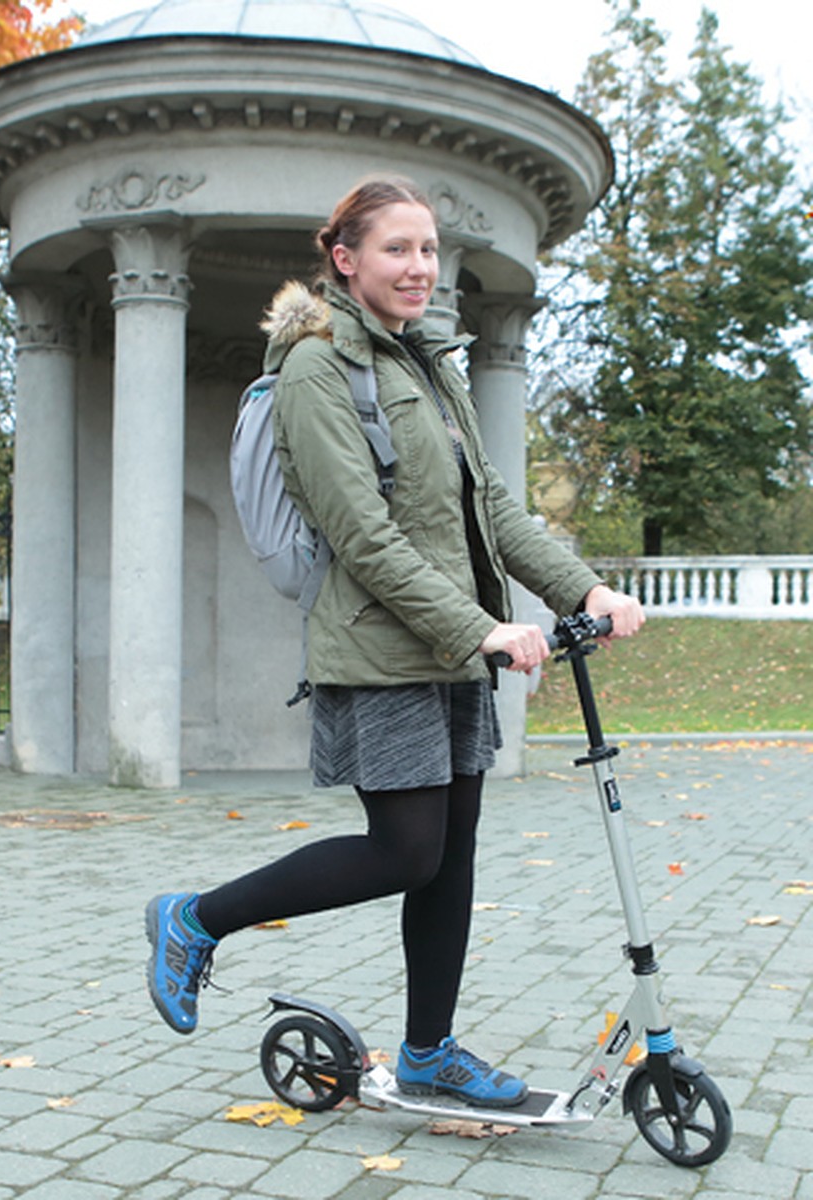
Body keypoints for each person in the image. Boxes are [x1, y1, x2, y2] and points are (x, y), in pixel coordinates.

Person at [145, 175, 644, 1108]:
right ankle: (194, 919)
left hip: (457, 650)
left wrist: (585, 587)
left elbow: (490, 505)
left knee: (453, 851)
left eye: (428, 250)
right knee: (407, 851)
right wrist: (487, 628)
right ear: (345, 260)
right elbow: (364, 538)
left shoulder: (426, 362)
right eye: (397, 249)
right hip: (382, 652)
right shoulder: (316, 371)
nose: (420, 267)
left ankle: (428, 1051)